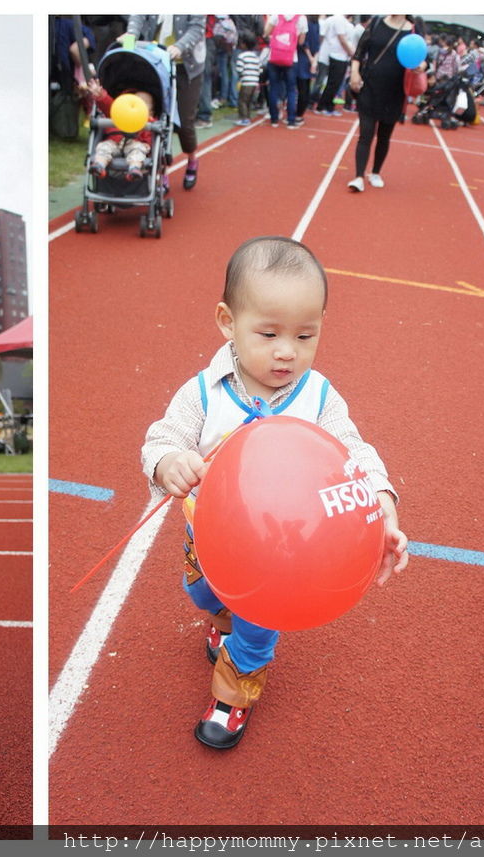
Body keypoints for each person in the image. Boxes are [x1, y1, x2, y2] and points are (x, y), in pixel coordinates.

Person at [141, 236, 408, 748]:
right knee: (202, 591)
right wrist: (167, 463)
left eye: (305, 336)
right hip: (211, 536)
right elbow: (162, 438)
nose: (287, 351)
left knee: (257, 623)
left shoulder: (319, 397)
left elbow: (356, 450)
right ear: (228, 322)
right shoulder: (203, 392)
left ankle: (233, 694)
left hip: (285, 555)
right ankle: (219, 617)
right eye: (268, 333)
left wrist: (383, 502)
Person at [122, 15, 207, 190]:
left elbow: (197, 28)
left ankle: (191, 158)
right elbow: (138, 16)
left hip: (186, 66)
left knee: (184, 121)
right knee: (157, 119)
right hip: (155, 61)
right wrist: (131, 34)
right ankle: (160, 170)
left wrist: (179, 46)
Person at [347, 15, 422, 192]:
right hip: (370, 86)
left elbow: (423, 58)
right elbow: (359, 52)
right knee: (365, 134)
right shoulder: (376, 23)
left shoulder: (413, 30)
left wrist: (422, 66)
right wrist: (354, 73)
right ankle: (358, 176)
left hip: (395, 92)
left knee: (384, 136)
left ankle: (375, 172)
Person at [86, 81, 157, 178]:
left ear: (151, 112)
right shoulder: (120, 112)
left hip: (134, 144)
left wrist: (146, 144)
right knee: (104, 147)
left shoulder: (149, 122)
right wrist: (100, 94)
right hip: (114, 142)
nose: (137, 105)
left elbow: (149, 138)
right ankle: (99, 165)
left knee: (138, 151)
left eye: (143, 103)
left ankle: (134, 168)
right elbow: (108, 105)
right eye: (135, 101)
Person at [264, 14, 307, 128]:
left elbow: (267, 32)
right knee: (291, 90)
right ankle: (291, 120)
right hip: (291, 58)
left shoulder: (276, 15)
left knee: (273, 87)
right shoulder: (301, 18)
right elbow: (301, 41)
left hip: (274, 56)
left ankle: (274, 119)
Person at [316, 14, 355, 115]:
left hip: (341, 56)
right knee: (333, 83)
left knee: (335, 83)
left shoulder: (343, 21)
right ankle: (323, 106)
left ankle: (328, 105)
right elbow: (342, 39)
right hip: (337, 55)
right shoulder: (338, 19)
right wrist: (351, 52)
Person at [233, 31, 262, 126]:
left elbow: (239, 69)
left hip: (246, 82)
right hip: (254, 82)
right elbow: (260, 69)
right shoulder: (256, 57)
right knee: (249, 101)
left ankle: (244, 118)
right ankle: (248, 116)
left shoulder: (242, 56)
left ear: (243, 45)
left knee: (242, 101)